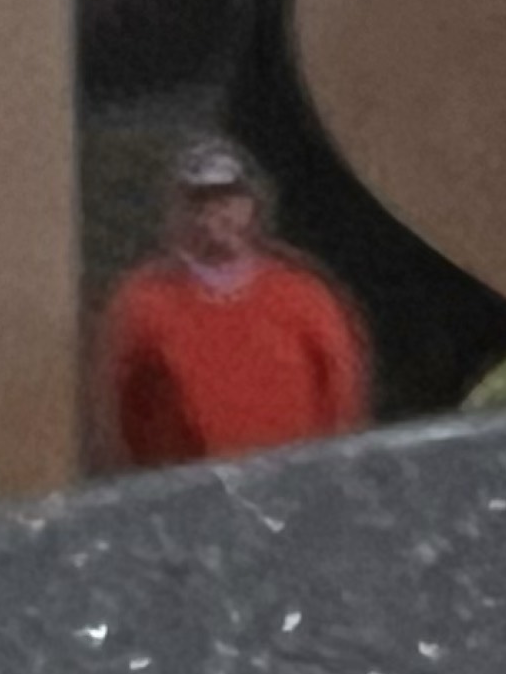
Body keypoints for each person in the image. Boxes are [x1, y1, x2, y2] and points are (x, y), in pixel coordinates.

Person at [97, 137, 372, 469]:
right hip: (188, 497)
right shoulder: (143, 303)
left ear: (252, 206)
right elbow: (120, 412)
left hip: (293, 491)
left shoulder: (302, 294)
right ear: (176, 213)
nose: (214, 215)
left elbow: (344, 396)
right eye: (198, 202)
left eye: (227, 200)